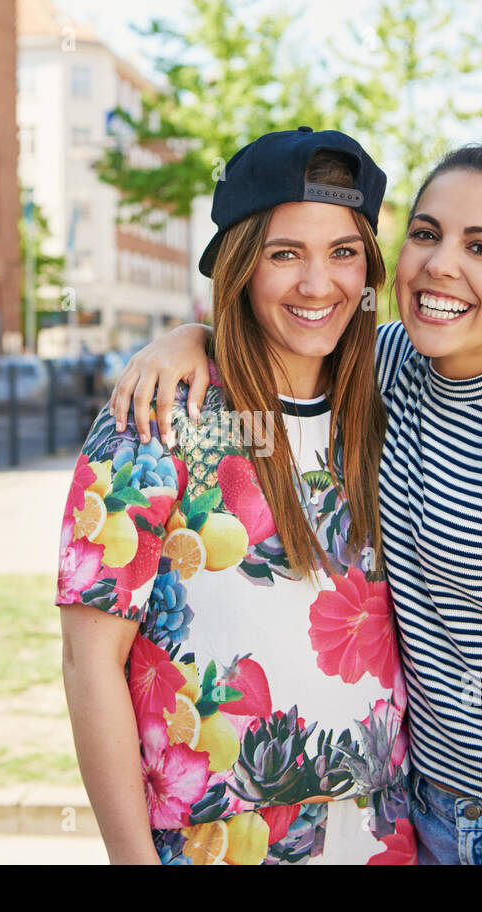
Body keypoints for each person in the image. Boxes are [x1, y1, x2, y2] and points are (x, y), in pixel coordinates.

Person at [108, 111, 482, 865]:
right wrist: (190, 340)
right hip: (427, 815)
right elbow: (292, 316)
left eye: (481, 247)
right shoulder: (398, 361)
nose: (441, 264)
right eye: (427, 233)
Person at [56, 126, 415, 865]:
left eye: (343, 252)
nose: (319, 284)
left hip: (379, 832)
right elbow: (88, 662)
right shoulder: (156, 420)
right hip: (218, 840)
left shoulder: (386, 406)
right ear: (241, 266)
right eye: (286, 253)